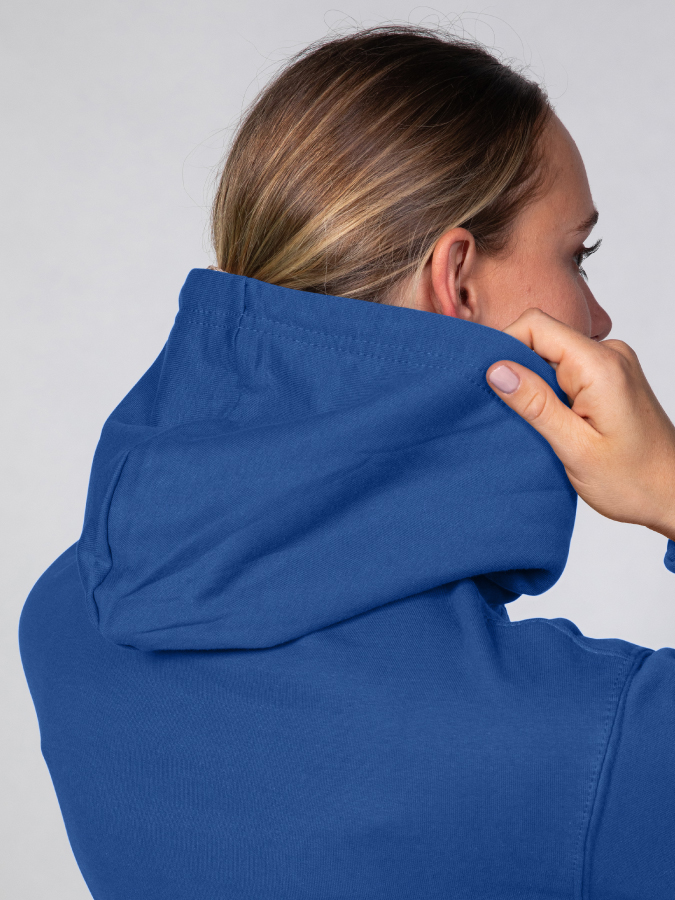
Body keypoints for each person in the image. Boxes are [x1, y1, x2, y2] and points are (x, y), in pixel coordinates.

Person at [19, 24, 675, 900]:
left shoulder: (66, 621)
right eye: (574, 255)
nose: (598, 320)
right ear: (457, 279)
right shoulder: (593, 745)